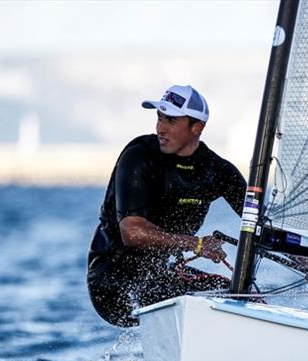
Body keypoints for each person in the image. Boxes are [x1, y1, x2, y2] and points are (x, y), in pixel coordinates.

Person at [87, 84, 247, 327]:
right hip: (112, 283)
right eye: (159, 118)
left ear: (197, 128)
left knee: (231, 296)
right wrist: (198, 244)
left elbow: (263, 224)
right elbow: (132, 232)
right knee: (177, 297)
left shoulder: (216, 170)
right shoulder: (140, 156)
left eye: (171, 121)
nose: (160, 128)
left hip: (161, 276)